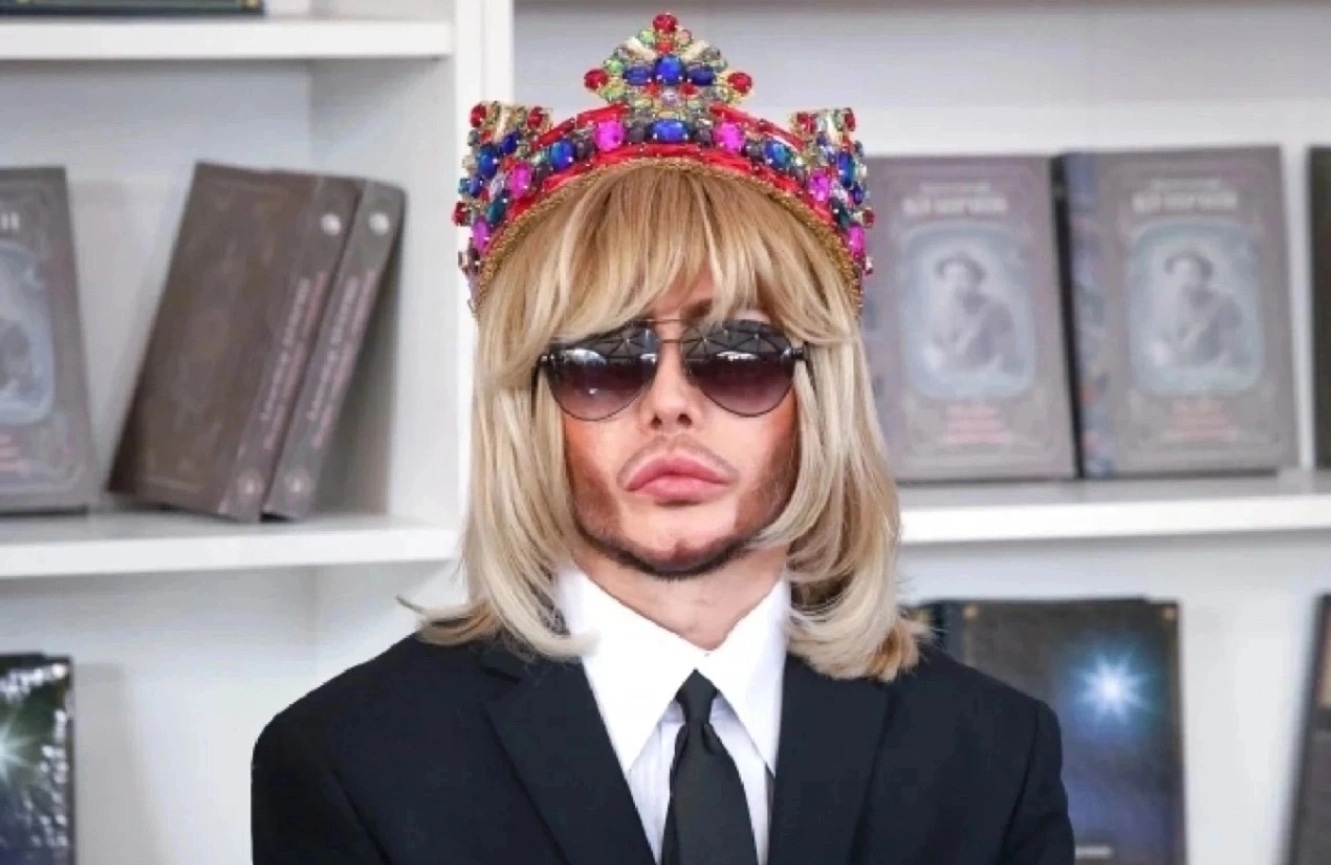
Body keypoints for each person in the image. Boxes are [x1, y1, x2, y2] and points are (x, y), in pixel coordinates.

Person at [250, 13, 1074, 865]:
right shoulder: (349, 763)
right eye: (603, 361)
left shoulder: (994, 756)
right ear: (528, 406)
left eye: (739, 356)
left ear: (816, 395)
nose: (671, 404)